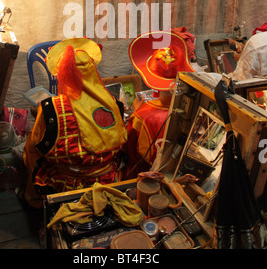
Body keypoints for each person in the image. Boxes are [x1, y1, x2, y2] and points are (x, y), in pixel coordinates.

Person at [23, 38, 127, 208]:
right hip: (106, 183)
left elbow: (33, 151)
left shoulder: (51, 109)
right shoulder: (115, 104)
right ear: (93, 71)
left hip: (65, 187)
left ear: (63, 75)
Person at [122, 30, 195, 179]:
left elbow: (130, 151)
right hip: (183, 174)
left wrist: (137, 112)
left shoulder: (143, 114)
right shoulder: (193, 108)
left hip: (145, 179)